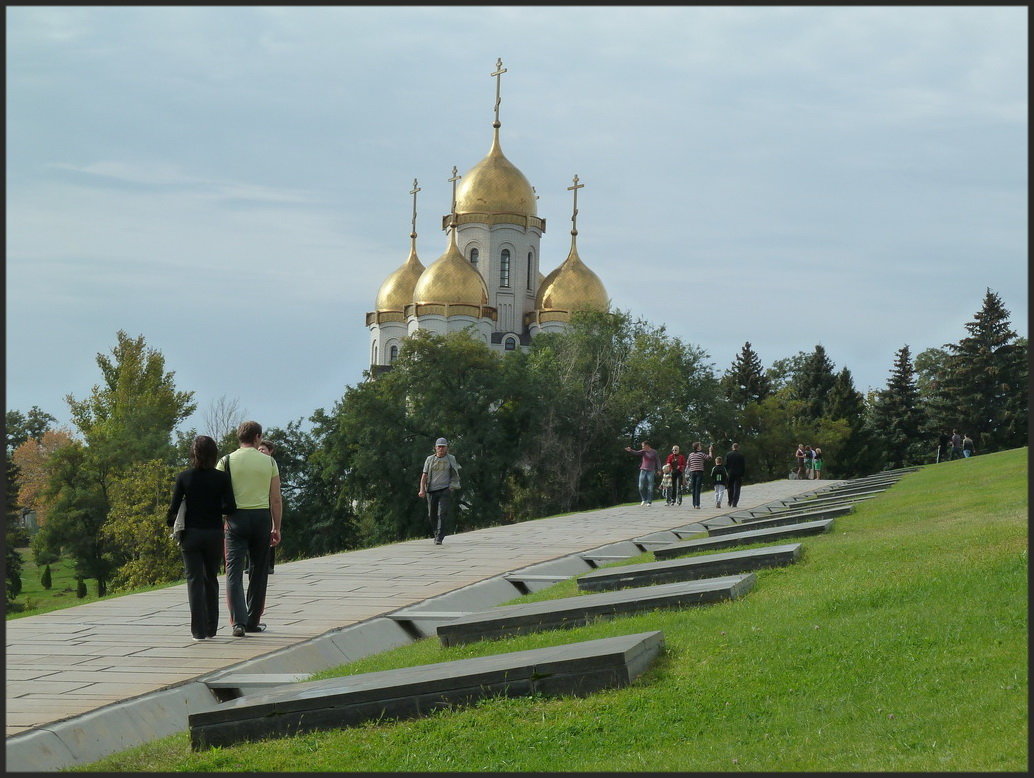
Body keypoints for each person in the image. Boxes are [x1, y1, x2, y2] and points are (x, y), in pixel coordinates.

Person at [166, 435, 236, 641]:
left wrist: (173, 521)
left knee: (194, 580)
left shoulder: (184, 477)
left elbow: (173, 510)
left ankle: (198, 631)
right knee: (210, 579)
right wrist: (215, 507)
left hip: (191, 534)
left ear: (193, 454)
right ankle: (211, 627)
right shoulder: (222, 478)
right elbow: (230, 506)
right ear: (214, 454)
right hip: (214, 533)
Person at [217, 421, 282, 637]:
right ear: (257, 438)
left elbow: (217, 494)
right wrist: (277, 526)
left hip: (235, 519)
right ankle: (254, 619)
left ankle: (238, 622)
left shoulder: (226, 461)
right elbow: (275, 499)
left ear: (239, 437)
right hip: (261, 517)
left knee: (233, 571)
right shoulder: (269, 462)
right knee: (259, 569)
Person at [418, 437, 462, 544]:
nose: (441, 449)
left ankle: (440, 537)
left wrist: (452, 486)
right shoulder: (430, 459)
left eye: (443, 447)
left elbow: (454, 473)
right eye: (439, 447)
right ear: (435, 448)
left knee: (442, 513)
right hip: (432, 490)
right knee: (431, 514)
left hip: (445, 489)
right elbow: (424, 475)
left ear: (447, 448)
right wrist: (422, 490)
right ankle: (436, 533)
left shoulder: (451, 458)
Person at [246, 439, 277, 578]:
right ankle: (249, 564)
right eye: (259, 449)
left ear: (270, 451)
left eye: (263, 449)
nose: (261, 451)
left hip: (268, 504)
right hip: (255, 504)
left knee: (270, 535)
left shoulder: (271, 464)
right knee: (249, 537)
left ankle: (269, 565)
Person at [624, 440, 661, 506]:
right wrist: (630, 450)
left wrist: (659, 469)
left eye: (643, 446)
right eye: (642, 446)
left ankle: (649, 501)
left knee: (650, 486)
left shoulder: (654, 452)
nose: (642, 447)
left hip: (651, 470)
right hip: (643, 470)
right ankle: (644, 499)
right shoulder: (643, 451)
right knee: (640, 486)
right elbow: (636, 453)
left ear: (647, 445)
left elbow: (658, 461)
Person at [686, 441, 714, 509]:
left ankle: (694, 503)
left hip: (692, 473)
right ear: (697, 447)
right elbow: (709, 458)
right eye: (700, 445)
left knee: (694, 488)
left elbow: (688, 464)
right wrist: (710, 451)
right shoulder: (701, 454)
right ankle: (697, 504)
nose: (701, 446)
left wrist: (687, 473)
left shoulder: (690, 455)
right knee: (697, 488)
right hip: (699, 472)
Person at [724, 443, 746, 508]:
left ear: (732, 447)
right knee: (737, 488)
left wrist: (726, 472)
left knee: (730, 487)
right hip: (738, 474)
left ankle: (730, 501)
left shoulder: (728, 454)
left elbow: (726, 464)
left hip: (730, 473)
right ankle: (735, 503)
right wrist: (742, 474)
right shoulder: (741, 455)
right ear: (738, 447)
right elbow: (743, 466)